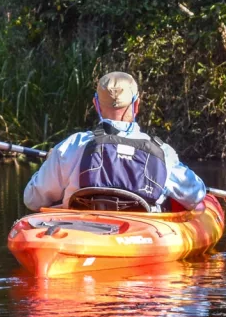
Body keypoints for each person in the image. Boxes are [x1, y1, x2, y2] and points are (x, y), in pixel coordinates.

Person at [23, 71, 206, 212]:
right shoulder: (163, 153)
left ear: (96, 104)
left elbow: (32, 200)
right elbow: (196, 195)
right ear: (136, 105)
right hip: (141, 235)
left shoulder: (71, 146)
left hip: (81, 233)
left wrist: (52, 159)